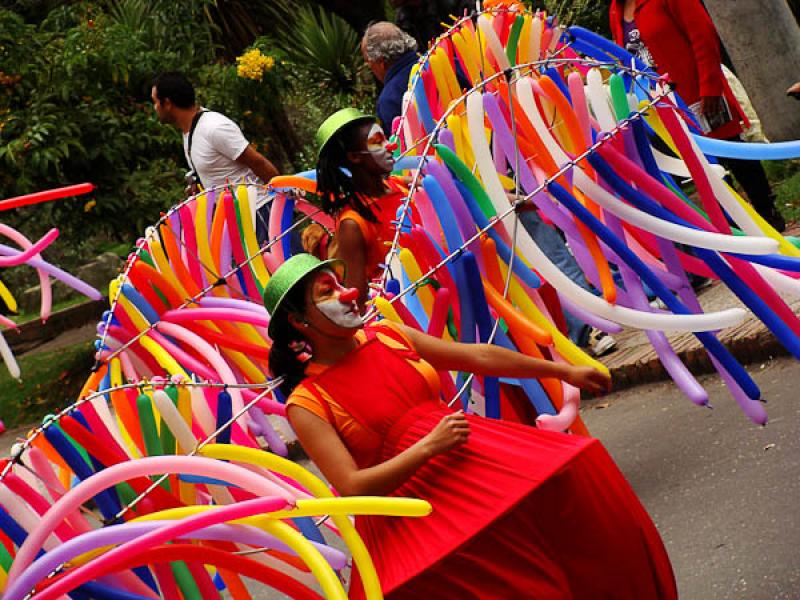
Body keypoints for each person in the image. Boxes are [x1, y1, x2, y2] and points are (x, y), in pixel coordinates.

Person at [265, 253, 678, 600]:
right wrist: (428, 447)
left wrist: (563, 370)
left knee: (575, 480)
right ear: (301, 323)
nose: (347, 293)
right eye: (327, 292)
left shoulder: (388, 335)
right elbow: (353, 487)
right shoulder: (307, 402)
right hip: (414, 516)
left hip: (476, 462)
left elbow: (478, 356)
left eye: (339, 284)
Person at [609, 0, 786, 231]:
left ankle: (769, 217)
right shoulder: (616, 10)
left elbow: (703, 35)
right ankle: (736, 230)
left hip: (698, 94)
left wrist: (710, 88)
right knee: (701, 168)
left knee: (734, 154)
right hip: (662, 109)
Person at [150, 71, 280, 241]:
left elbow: (258, 162)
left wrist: (286, 200)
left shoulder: (214, 127)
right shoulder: (189, 133)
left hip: (261, 212)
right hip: (239, 222)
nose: (154, 108)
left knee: (293, 267)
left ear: (167, 103)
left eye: (154, 102)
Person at [303, 108, 409, 306]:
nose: (390, 146)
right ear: (354, 157)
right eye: (377, 142)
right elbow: (358, 298)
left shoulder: (402, 186)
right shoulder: (352, 224)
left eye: (386, 139)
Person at [361, 22, 420, 136]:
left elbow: (400, 148)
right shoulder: (441, 58)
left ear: (381, 63)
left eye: (370, 64)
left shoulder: (389, 101)